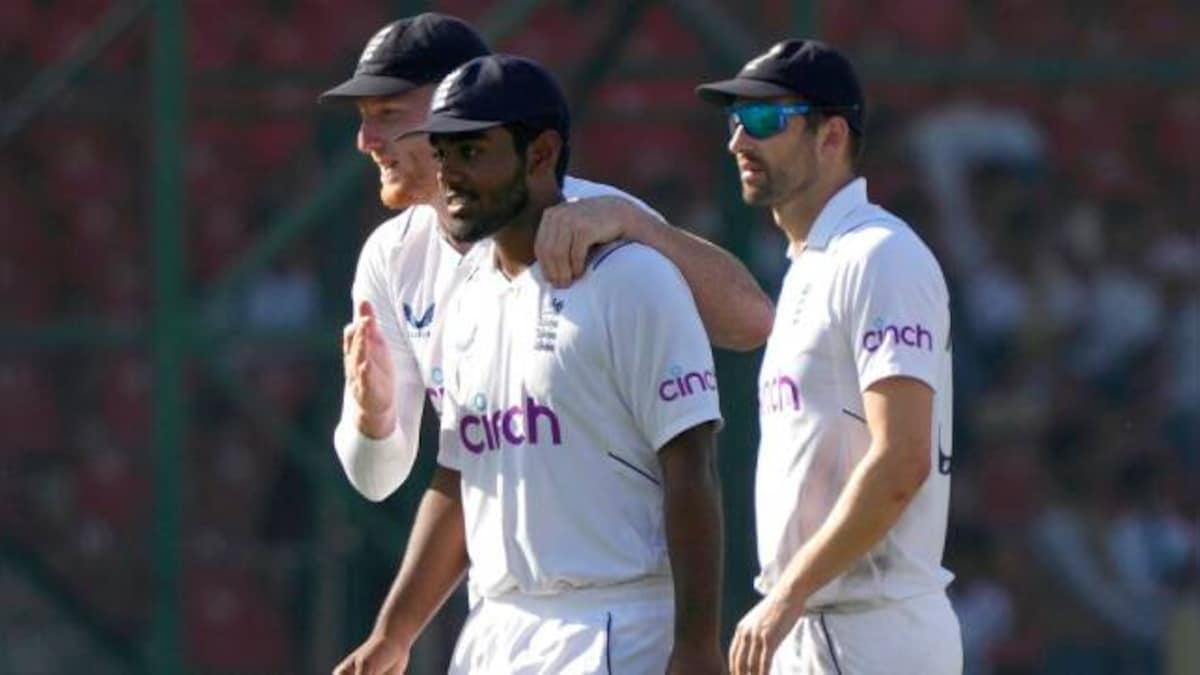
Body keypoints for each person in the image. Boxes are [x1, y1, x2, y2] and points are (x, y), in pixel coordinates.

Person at [334, 53, 726, 674]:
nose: (450, 175)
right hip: (494, 629)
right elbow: (461, 476)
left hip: (614, 625)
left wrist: (699, 647)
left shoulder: (633, 279)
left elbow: (692, 470)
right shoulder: (465, 299)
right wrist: (393, 634)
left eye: (473, 153)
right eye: (442, 154)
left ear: (541, 154)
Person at [321, 13, 772, 504]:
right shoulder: (390, 257)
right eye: (364, 117)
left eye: (387, 114)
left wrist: (636, 224)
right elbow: (377, 480)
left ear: (455, 107)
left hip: (622, 572)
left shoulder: (598, 216)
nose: (364, 140)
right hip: (503, 574)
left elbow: (751, 321)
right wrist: (374, 419)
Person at [695, 40, 961, 674]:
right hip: (820, 629)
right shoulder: (815, 264)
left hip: (869, 633)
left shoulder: (879, 256)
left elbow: (901, 460)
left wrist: (785, 597)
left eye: (763, 120)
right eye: (735, 121)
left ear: (831, 135)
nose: (739, 141)